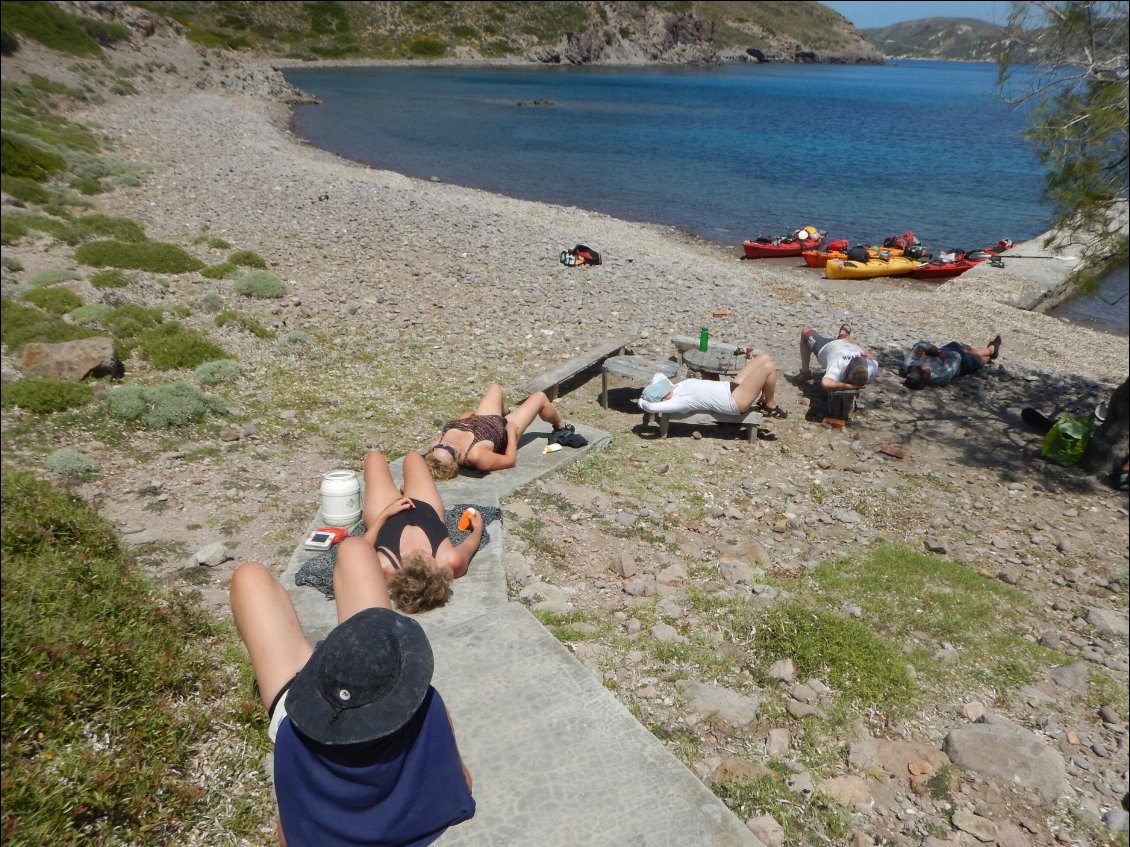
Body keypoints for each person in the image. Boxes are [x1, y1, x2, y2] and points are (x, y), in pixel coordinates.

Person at [229, 556, 475, 846]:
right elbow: (463, 783)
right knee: (356, 551)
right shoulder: (427, 707)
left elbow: (286, 835)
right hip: (338, 709)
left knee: (249, 576)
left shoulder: (292, 737)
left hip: (314, 717)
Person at [342, 449, 484, 614]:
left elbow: (359, 548)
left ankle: (401, 491)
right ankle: (405, 489)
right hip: (425, 505)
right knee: (412, 456)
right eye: (427, 560)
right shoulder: (451, 561)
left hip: (385, 509)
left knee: (374, 457)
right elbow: (470, 545)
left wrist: (385, 514)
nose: (421, 552)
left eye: (416, 558)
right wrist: (478, 527)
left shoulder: (385, 567)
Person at [424, 383, 572, 480]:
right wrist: (512, 433)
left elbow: (444, 441)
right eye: (449, 449)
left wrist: (463, 420)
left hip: (483, 420)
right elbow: (510, 461)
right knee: (540, 397)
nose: (447, 443)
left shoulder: (437, 445)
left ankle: (506, 411)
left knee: (495, 387)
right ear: (458, 459)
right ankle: (560, 425)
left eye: (441, 446)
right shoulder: (476, 456)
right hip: (502, 430)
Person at [636, 351, 788, 418]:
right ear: (664, 399)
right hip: (734, 401)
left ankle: (764, 399)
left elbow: (658, 375)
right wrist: (642, 401)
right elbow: (651, 407)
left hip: (730, 388)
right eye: (665, 391)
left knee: (764, 358)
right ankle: (770, 403)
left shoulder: (672, 389)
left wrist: (648, 391)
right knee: (767, 368)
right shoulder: (679, 401)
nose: (668, 387)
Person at [798, 324, 879, 391]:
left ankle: (805, 372)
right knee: (853, 343)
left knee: (806, 331)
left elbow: (826, 383)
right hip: (848, 345)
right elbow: (869, 355)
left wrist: (850, 387)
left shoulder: (838, 365)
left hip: (827, 346)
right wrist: (855, 386)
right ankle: (844, 336)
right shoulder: (872, 366)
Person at [901, 335, 1002, 389]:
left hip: (943, 351)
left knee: (965, 348)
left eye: (924, 370)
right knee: (974, 358)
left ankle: (991, 350)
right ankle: (990, 353)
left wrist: (934, 351)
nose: (928, 373)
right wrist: (944, 357)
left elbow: (919, 344)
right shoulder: (939, 377)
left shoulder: (908, 366)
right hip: (960, 365)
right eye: (927, 377)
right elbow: (956, 358)